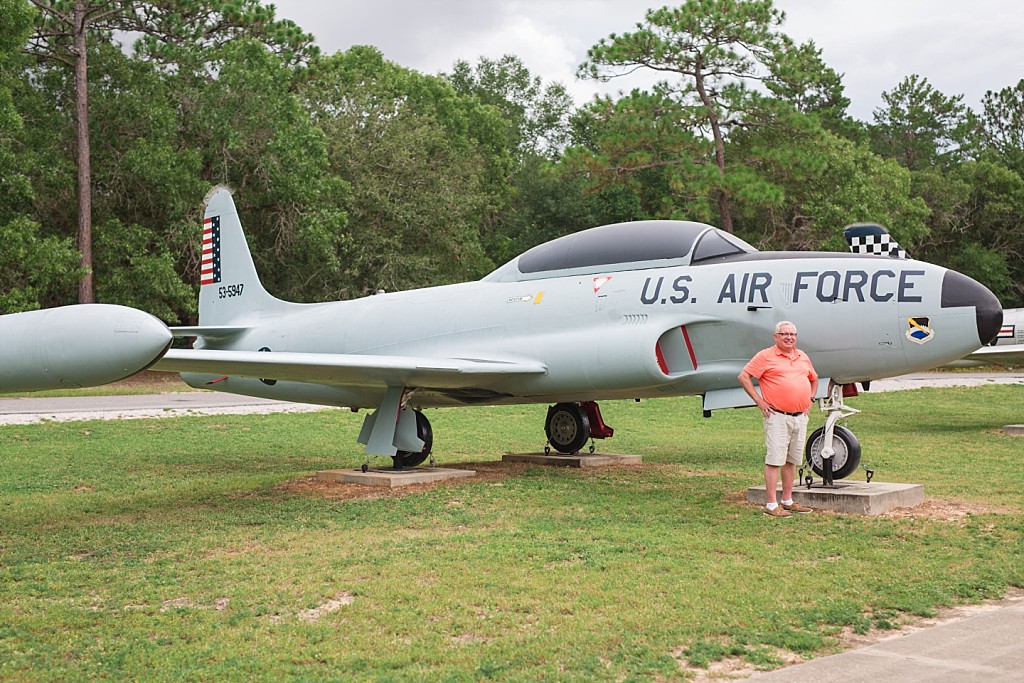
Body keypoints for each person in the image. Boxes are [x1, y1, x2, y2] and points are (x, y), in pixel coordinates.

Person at [738, 321, 819, 518]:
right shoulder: (766, 356)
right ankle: (771, 503)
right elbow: (744, 376)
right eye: (784, 334)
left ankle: (788, 500)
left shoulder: (802, 356)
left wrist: (810, 399)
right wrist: (759, 401)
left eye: (792, 334)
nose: (789, 338)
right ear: (776, 337)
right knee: (775, 460)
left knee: (792, 460)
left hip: (800, 417)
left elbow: (814, 378)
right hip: (777, 416)